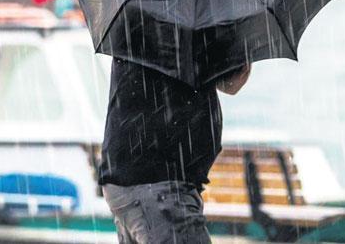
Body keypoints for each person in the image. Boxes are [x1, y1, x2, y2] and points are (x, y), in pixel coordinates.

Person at [99, 60, 251, 243]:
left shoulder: (150, 44)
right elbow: (230, 81)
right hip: (156, 183)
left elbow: (230, 83)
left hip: (141, 178)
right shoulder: (178, 43)